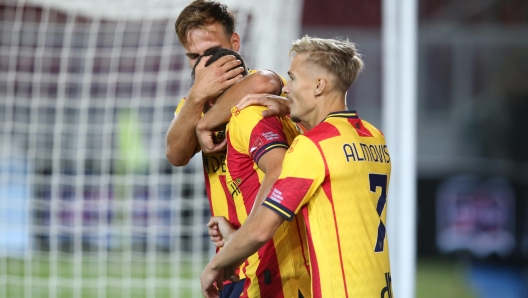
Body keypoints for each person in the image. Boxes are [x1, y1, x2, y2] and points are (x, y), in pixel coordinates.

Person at [201, 36, 393, 298]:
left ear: (318, 85)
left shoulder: (312, 147)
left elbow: (261, 229)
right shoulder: (374, 137)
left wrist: (216, 264)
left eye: (292, 78)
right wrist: (291, 109)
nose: (286, 89)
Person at [166, 1, 290, 297]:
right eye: (193, 57)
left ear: (234, 43)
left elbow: (266, 79)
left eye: (210, 52)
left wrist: (204, 123)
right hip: (233, 258)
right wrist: (197, 101)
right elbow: (175, 154)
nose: (203, 67)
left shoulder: (257, 99)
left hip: (273, 260)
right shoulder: (192, 107)